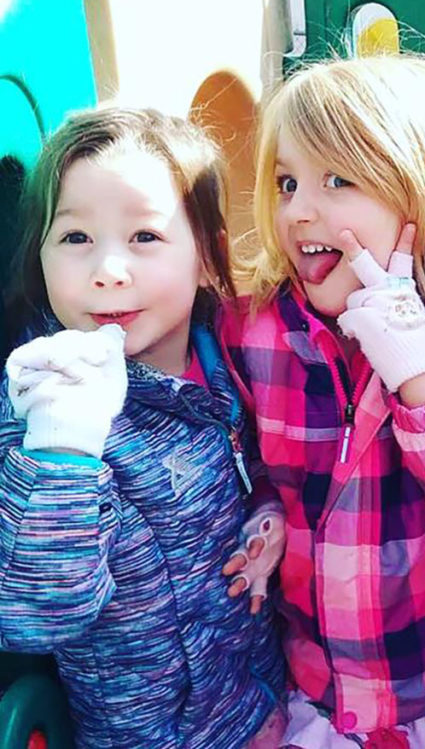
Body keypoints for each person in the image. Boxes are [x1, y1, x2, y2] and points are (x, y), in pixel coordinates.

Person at [219, 55, 425, 748]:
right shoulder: (262, 332)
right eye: (286, 181)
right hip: (312, 687)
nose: (299, 208)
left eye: (337, 179)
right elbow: (234, 447)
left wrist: (414, 364)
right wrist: (265, 517)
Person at [0, 107, 285, 748]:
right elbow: (36, 611)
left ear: (208, 256)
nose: (108, 269)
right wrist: (63, 445)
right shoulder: (40, 402)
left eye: (144, 238)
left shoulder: (228, 363)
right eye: (74, 238)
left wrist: (270, 514)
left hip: (262, 703)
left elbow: (259, 468)